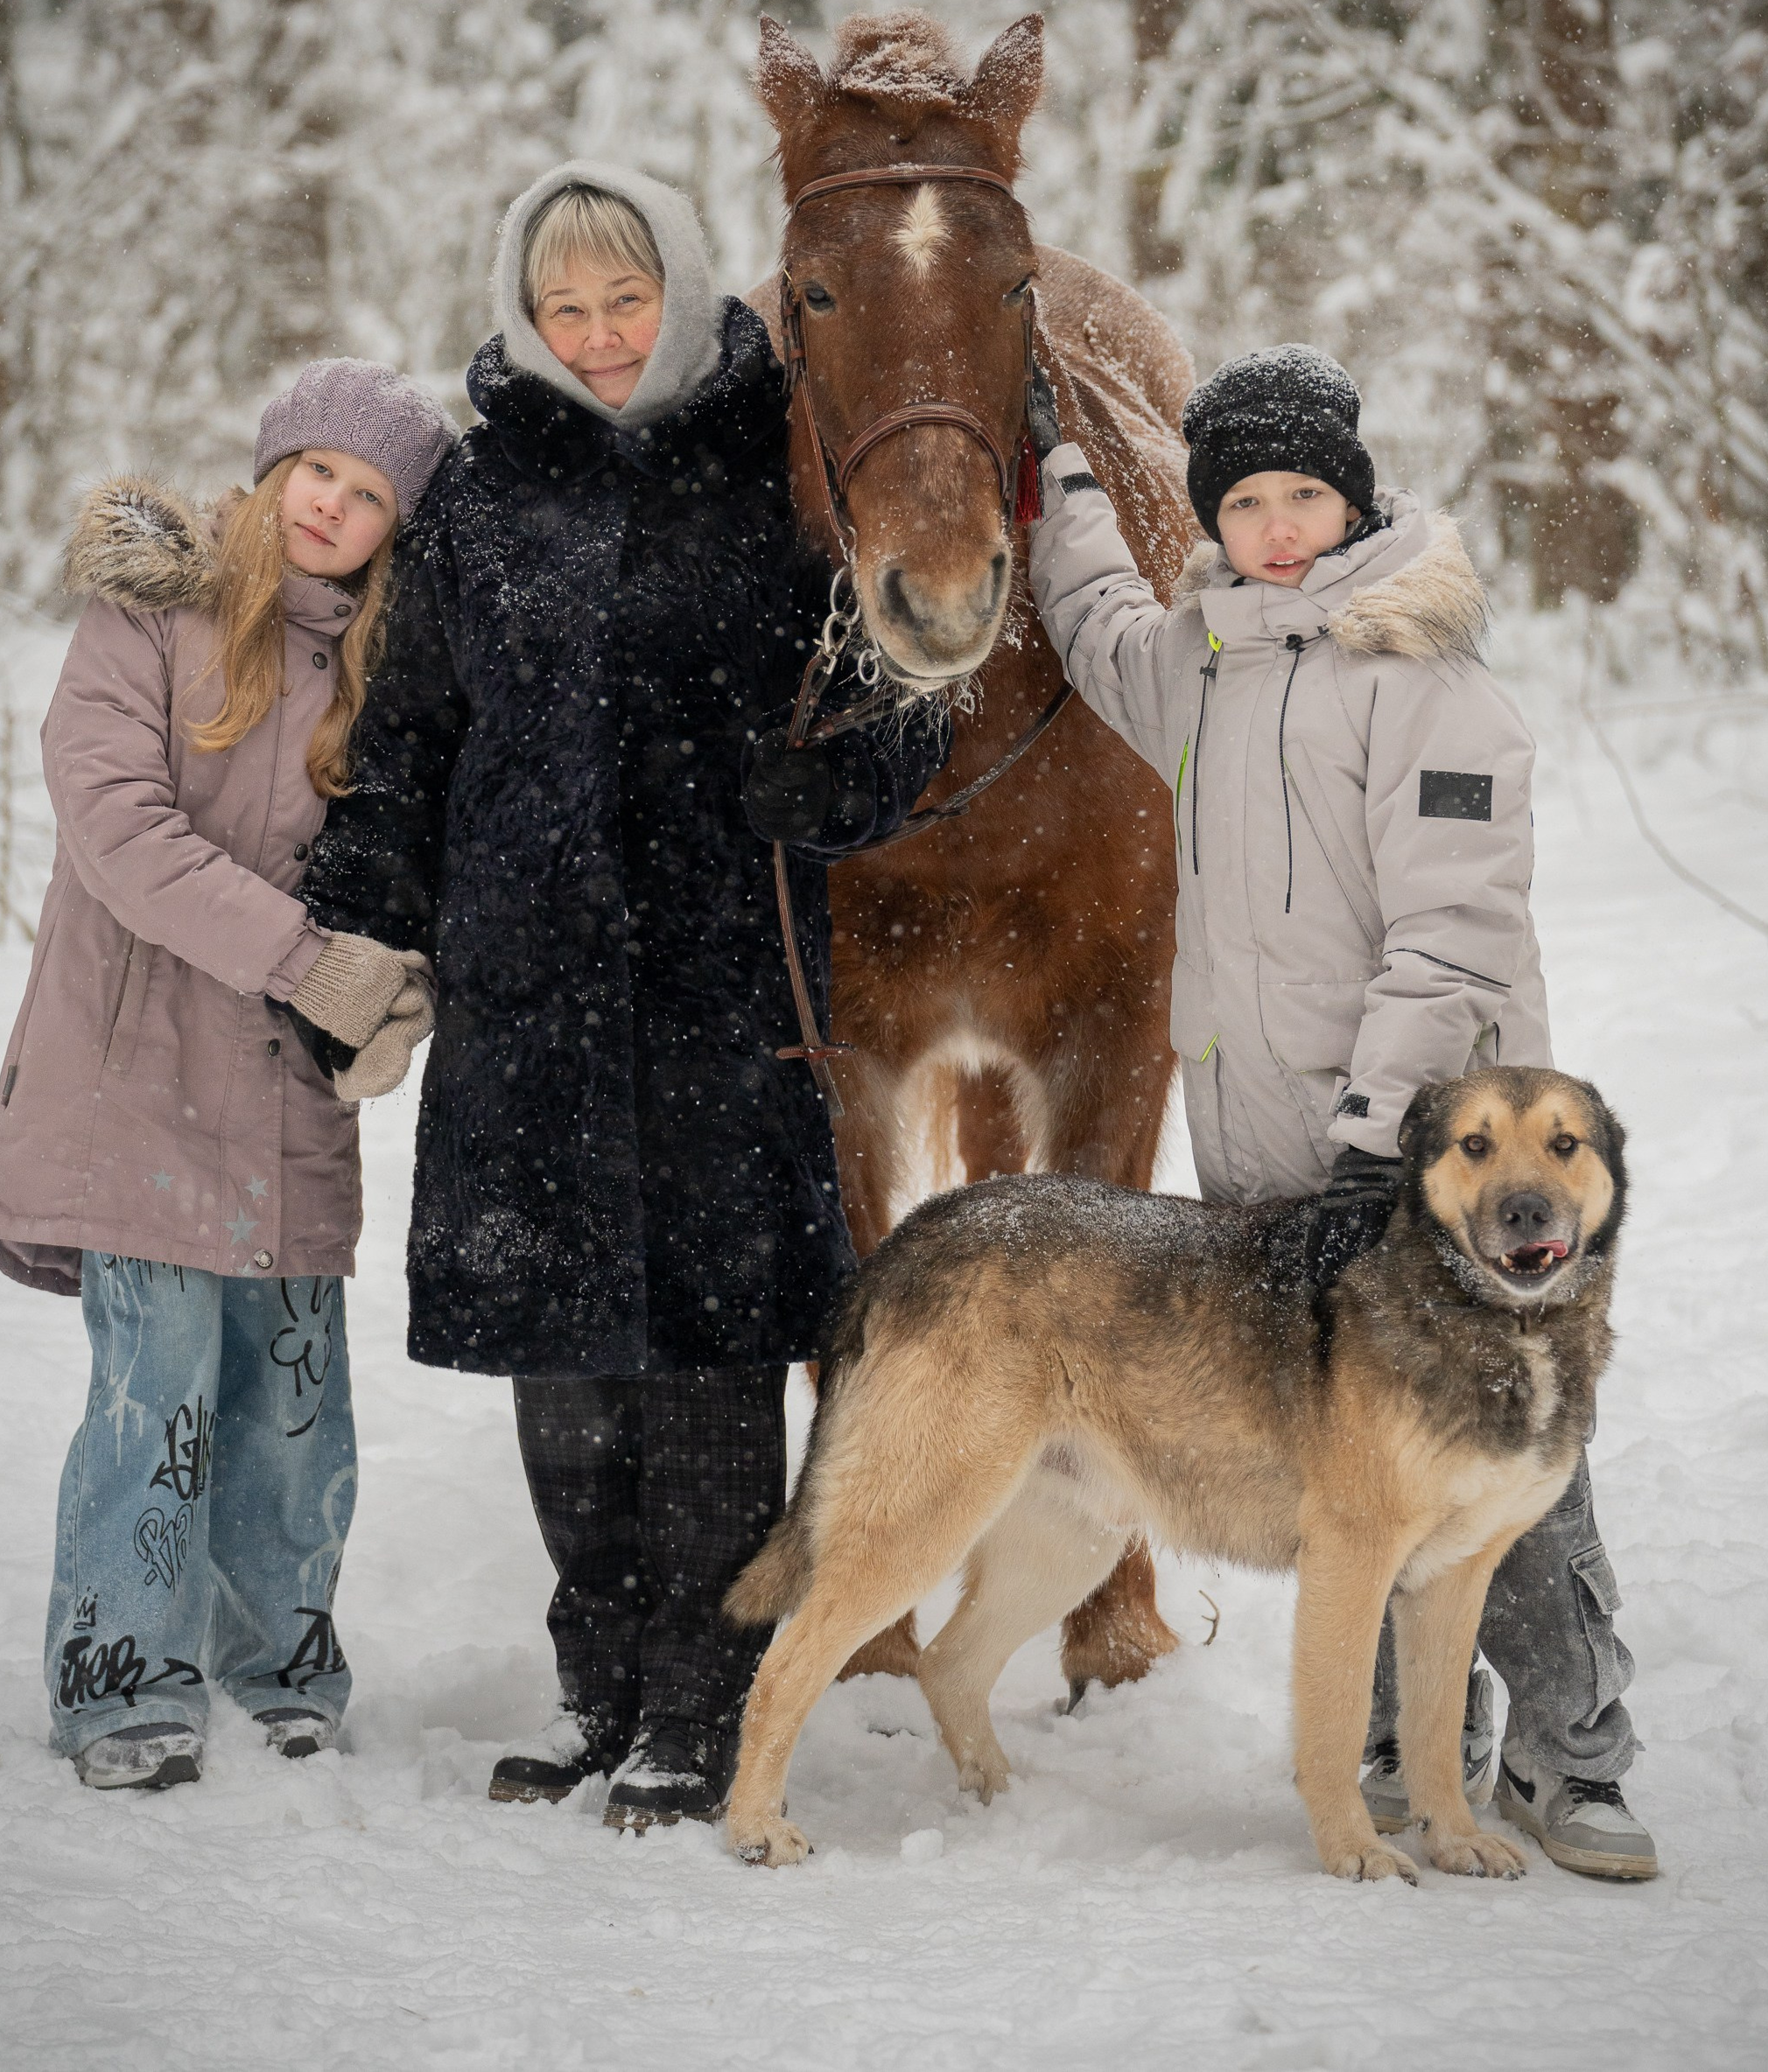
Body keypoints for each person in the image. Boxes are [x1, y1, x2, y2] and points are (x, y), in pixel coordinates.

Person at [299, 162, 949, 1831]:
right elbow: (408, 741)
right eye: (563, 306)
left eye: (624, 298)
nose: (594, 336)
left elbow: (903, 690)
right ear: (526, 313)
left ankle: (700, 1710)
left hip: (723, 988)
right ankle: (599, 1697)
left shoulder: (778, 464)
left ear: (680, 290)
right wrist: (360, 923)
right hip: (530, 996)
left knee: (709, 1362)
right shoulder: (475, 494)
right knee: (564, 1371)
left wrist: (842, 786)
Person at [1023, 341, 1658, 1882]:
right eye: (1246, 502)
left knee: (1506, 1454)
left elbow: (1454, 931)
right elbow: (1099, 623)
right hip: (1264, 1150)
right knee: (1350, 1476)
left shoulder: (1424, 680)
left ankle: (1570, 1756)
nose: (1281, 525)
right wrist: (1051, 473)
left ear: (1356, 500)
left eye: (1309, 493)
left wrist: (1379, 1135)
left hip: (1434, 1161)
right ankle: (1394, 1749)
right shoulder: (1201, 659)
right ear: (1214, 523)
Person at [0, 360, 456, 1791]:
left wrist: (396, 983)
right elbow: (120, 832)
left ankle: (281, 1666)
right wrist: (312, 962)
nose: (332, 505)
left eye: (369, 494)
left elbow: (397, 862)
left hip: (285, 1096)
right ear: (271, 468)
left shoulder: (387, 667)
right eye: (318, 469)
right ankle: (122, 1678)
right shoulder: (150, 612)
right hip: (136, 1080)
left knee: (292, 1403)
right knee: (156, 1394)